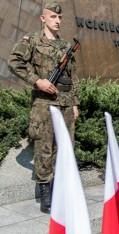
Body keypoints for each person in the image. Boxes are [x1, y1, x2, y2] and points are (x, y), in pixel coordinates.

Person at [8, 2, 80, 213]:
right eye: (52, 17)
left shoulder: (66, 46)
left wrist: (75, 102)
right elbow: (14, 61)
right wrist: (36, 81)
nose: (57, 21)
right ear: (43, 19)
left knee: (64, 148)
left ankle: (60, 189)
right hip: (43, 104)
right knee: (44, 148)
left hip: (66, 104)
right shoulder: (31, 41)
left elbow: (73, 77)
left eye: (59, 18)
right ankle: (45, 194)